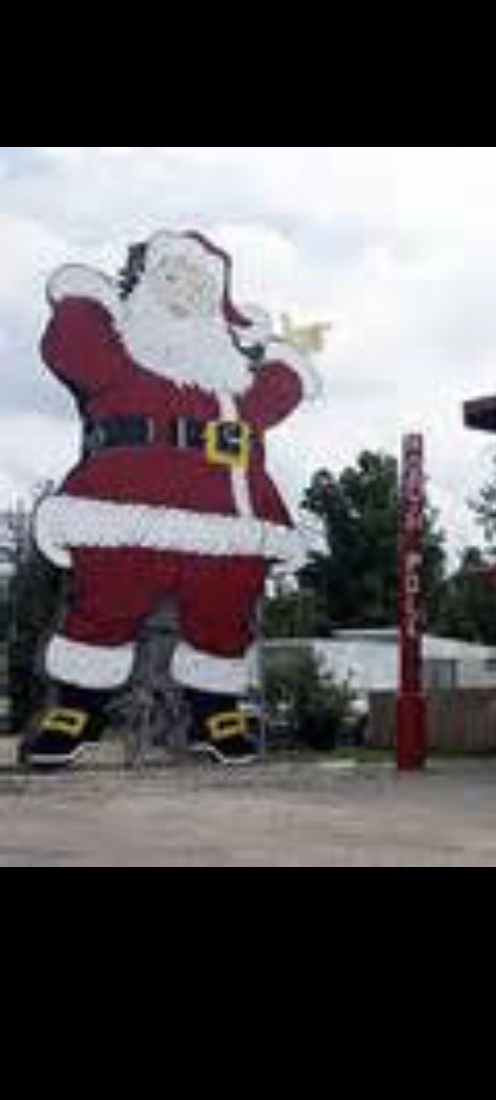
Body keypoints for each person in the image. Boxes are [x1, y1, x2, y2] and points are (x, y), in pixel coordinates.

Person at [22, 230, 322, 770]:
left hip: (225, 518)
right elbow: (72, 350)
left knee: (224, 608)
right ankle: (77, 708)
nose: (184, 292)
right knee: (106, 597)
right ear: (145, 288)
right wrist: (84, 299)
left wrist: (288, 362)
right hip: (122, 509)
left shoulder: (231, 385)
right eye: (173, 278)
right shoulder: (120, 361)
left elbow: (272, 398)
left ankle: (216, 711)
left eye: (199, 286)